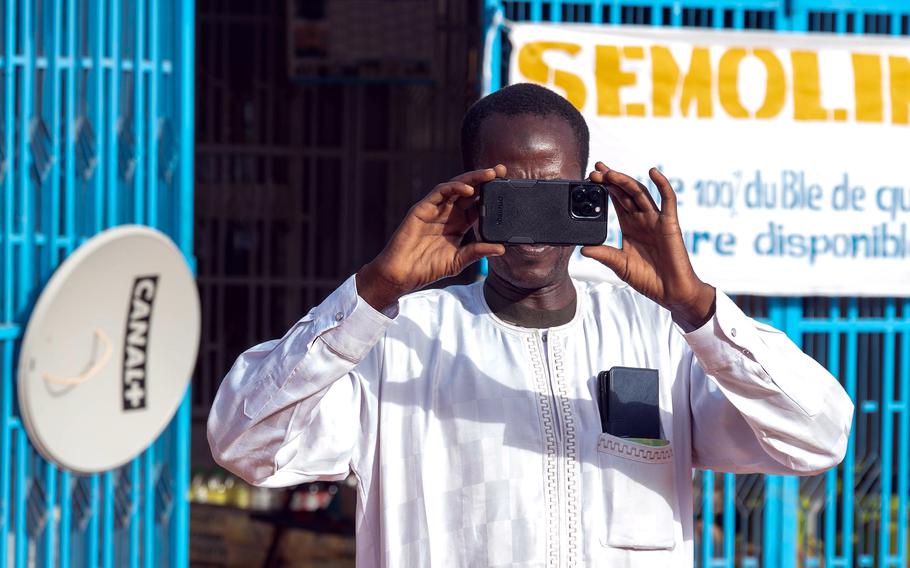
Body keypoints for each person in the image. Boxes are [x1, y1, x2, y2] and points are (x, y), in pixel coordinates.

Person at [207, 83, 853, 567]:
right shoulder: (398, 346)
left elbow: (818, 435)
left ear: (585, 196)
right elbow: (242, 440)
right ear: (471, 197)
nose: (532, 224)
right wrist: (374, 291)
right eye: (510, 195)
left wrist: (698, 309)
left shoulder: (661, 339)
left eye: (554, 195)